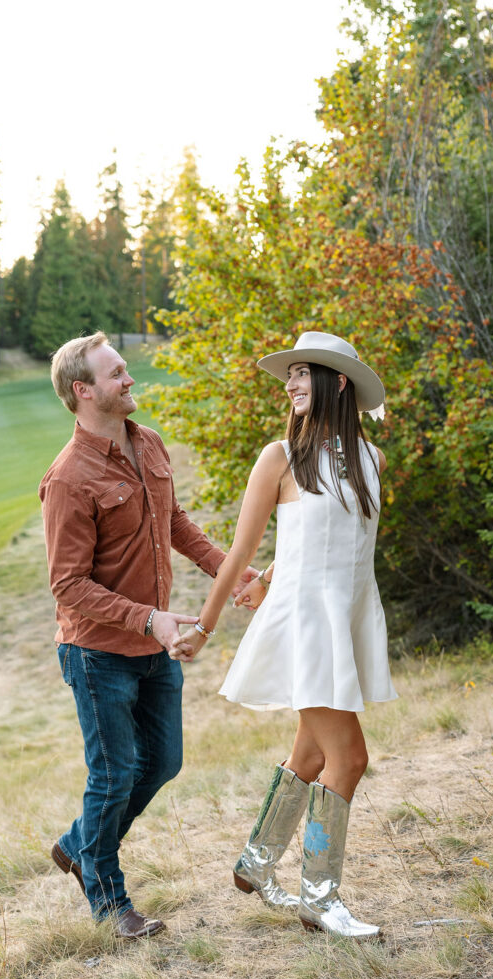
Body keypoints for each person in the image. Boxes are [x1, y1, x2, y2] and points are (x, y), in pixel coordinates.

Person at [171, 331, 398, 938]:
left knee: (313, 754)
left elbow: (330, 534)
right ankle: (320, 899)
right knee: (349, 758)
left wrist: (271, 574)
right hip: (306, 625)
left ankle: (257, 861)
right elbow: (242, 548)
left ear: (338, 381)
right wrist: (205, 625)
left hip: (344, 617)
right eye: (290, 375)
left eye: (304, 373)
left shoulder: (372, 460)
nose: (293, 384)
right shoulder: (280, 457)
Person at [39, 333, 256, 939]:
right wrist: (147, 618)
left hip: (154, 648)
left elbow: (176, 524)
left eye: (125, 369)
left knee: (162, 762)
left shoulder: (149, 443)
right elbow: (67, 585)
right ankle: (110, 904)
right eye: (117, 374)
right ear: (83, 391)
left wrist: (233, 573)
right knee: (113, 775)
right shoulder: (68, 479)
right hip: (96, 652)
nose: (130, 380)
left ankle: (78, 846)